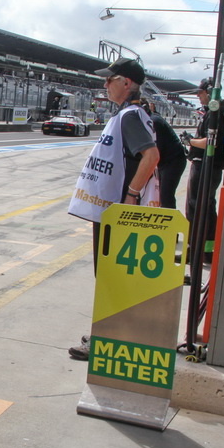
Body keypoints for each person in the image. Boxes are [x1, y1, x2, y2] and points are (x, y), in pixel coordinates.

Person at [66, 58, 161, 361]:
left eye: (110, 79)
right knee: (113, 276)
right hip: (116, 209)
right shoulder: (133, 113)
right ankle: (108, 333)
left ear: (127, 83)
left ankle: (106, 339)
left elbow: (151, 156)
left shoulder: (130, 116)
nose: (105, 84)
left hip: (119, 211)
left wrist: (131, 194)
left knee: (111, 276)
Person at [186, 79, 224, 255]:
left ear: (210, 92)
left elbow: (210, 142)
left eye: (200, 92)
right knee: (206, 206)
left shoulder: (215, 114)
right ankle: (206, 250)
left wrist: (190, 141)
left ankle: (195, 249)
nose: (198, 95)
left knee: (196, 207)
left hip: (205, 166)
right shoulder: (213, 113)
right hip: (208, 166)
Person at [140, 99, 187, 209]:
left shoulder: (153, 122)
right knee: (162, 195)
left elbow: (154, 151)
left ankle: (169, 218)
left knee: (166, 197)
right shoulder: (150, 119)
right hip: (166, 161)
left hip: (173, 161)